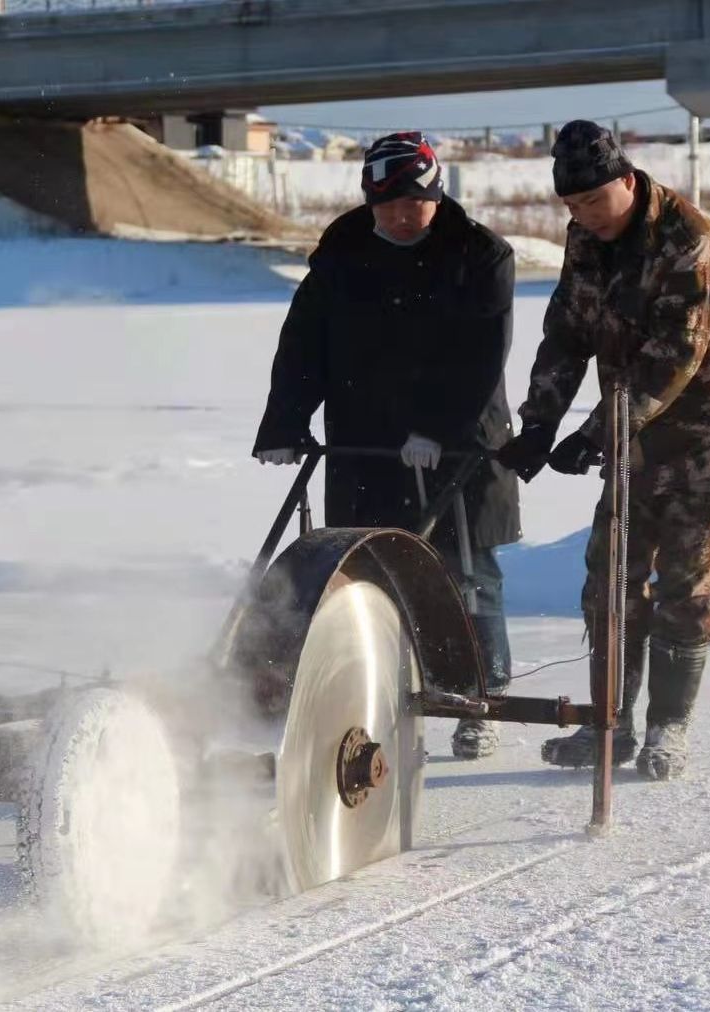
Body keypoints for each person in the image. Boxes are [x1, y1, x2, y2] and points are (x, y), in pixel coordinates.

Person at [498, 120, 710, 781]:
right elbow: (567, 330)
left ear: (628, 181)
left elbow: (673, 357)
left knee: (688, 585)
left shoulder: (690, 244)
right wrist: (538, 423)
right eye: (573, 208)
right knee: (611, 580)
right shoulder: (587, 241)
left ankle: (667, 729)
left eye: (595, 201)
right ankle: (609, 728)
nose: (586, 217)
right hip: (636, 434)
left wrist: (594, 433)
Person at [253, 131, 522, 759]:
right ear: (370, 201)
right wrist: (285, 423)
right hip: (365, 442)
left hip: (458, 445)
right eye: (390, 206)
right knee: (364, 572)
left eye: (416, 204)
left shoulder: (479, 254)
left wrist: (438, 428)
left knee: (464, 571)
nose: (404, 217)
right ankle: (380, 697)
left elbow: (482, 357)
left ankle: (478, 695)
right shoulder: (343, 252)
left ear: (437, 195)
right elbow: (304, 344)